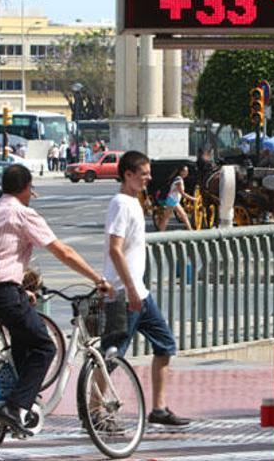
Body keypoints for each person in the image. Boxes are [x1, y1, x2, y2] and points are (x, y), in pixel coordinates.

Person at [0, 164, 112, 436]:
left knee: (23, 341)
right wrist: (96, 279)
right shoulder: (22, 213)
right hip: (0, 292)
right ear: (26, 188)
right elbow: (62, 251)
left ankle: (19, 399)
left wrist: (20, 290)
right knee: (45, 347)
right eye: (31, 190)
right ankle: (16, 407)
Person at [103, 151, 190, 426]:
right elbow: (114, 250)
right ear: (128, 175)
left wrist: (135, 289)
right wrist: (128, 289)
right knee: (110, 355)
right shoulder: (120, 204)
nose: (148, 178)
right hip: (123, 294)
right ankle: (95, 411)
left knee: (165, 345)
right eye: (143, 174)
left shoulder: (133, 203)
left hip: (139, 293)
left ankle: (159, 408)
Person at [155, 165, 196, 232]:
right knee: (167, 217)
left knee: (182, 215)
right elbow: (182, 193)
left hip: (173, 200)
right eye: (185, 171)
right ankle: (161, 232)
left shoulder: (178, 179)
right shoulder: (179, 180)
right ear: (181, 172)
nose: (187, 173)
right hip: (172, 200)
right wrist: (193, 199)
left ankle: (190, 230)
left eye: (187, 171)